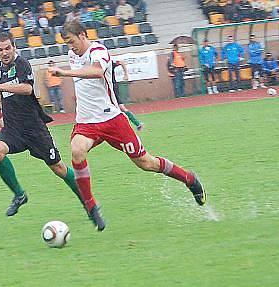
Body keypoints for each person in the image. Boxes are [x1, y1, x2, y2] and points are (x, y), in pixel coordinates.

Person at [48, 20, 207, 231]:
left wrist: (65, 74)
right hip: (87, 122)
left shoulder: (98, 51)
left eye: (72, 41)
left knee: (146, 163)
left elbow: (97, 71)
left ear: (83, 35)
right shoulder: (72, 55)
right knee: (77, 151)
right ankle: (91, 205)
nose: (70, 47)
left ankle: (189, 178)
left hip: (112, 120)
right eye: (67, 43)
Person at [0, 32, 84, 220]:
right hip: (13, 129)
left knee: (59, 168)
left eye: (8, 48)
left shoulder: (22, 64)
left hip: (34, 129)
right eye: (0, 49)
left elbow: (26, 89)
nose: (4, 53)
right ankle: (19, 195)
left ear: (14, 47)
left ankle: (88, 202)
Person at [112, 59, 144, 130]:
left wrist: (126, 74)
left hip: (112, 88)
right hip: (105, 89)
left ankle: (135, 124)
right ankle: (137, 124)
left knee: (120, 108)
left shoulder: (109, 62)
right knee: (119, 108)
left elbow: (122, 62)